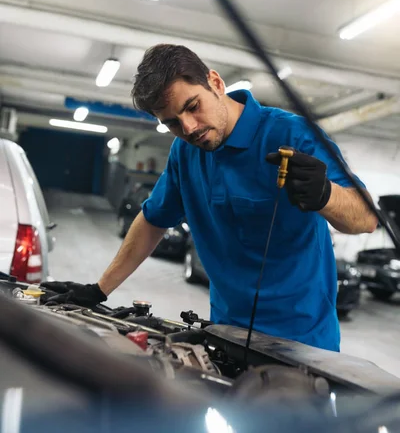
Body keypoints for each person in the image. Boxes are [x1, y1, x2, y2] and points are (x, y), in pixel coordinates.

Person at [43, 44, 377, 352]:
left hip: (303, 341)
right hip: (225, 333)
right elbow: (152, 220)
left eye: (192, 107)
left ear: (215, 82)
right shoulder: (185, 153)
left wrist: (325, 194)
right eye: (172, 122)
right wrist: (100, 289)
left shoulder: (292, 135)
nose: (188, 128)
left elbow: (366, 218)